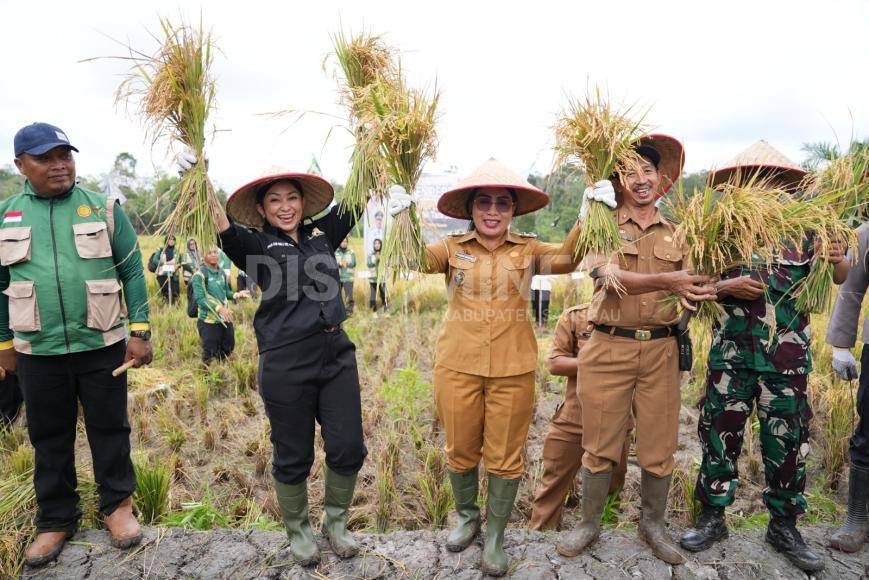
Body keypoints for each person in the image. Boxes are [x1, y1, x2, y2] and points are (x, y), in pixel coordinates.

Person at [177, 152, 367, 566]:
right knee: (293, 453)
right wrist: (199, 176)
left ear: (303, 202)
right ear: (261, 209)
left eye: (292, 198)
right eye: (275, 200)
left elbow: (356, 198)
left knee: (349, 445)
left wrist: (374, 148)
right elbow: (219, 224)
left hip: (336, 354)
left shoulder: (322, 235)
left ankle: (336, 525)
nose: (286, 207)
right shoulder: (254, 244)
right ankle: (299, 531)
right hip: (285, 361)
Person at [398, 158, 583, 576]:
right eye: (484, 202)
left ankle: (496, 534)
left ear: (514, 210)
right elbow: (414, 259)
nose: (493, 211)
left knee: (505, 455)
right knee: (460, 448)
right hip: (457, 365)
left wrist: (589, 216)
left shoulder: (530, 250)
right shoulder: (452, 249)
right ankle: (467, 518)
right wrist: (402, 216)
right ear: (471, 209)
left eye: (503, 203)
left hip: (512, 369)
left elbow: (570, 258)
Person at [680, 141, 850, 572]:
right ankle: (713, 517)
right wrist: (727, 288)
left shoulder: (808, 229)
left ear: (788, 186)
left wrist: (838, 257)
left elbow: (838, 275)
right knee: (718, 436)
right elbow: (696, 291)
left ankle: (783, 526)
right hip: (731, 358)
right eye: (754, 178)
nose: (765, 187)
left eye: (774, 180)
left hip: (786, 362)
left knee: (788, 443)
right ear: (737, 185)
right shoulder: (720, 232)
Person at [558, 134, 715, 565]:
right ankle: (589, 524)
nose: (641, 179)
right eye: (631, 172)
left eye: (648, 171)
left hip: (661, 351)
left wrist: (693, 301)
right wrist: (671, 282)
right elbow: (606, 275)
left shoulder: (681, 234)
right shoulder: (601, 224)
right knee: (600, 442)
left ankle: (653, 525)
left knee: (659, 443)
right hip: (608, 346)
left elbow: (693, 284)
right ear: (619, 181)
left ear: (661, 178)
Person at [2, 122, 152, 566]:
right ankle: (55, 520)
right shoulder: (7, 214)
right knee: (48, 437)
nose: (59, 165)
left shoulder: (103, 209)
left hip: (101, 342)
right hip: (37, 349)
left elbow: (131, 269)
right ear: (20, 165)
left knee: (110, 429)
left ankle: (118, 507)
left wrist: (139, 332)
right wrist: (2, 344)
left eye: (65, 155)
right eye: (45, 158)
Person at [530, 303, 633, 531]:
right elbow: (555, 363)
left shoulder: (635, 319)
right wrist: (596, 363)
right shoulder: (576, 316)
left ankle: (605, 544)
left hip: (616, 419)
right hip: (573, 417)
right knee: (552, 486)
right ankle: (540, 543)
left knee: (612, 486)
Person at [827, 219, 869, 553]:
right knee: (868, 430)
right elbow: (852, 288)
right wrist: (841, 345)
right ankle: (856, 519)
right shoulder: (866, 234)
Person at [191, 245, 249, 363]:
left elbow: (226, 292)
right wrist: (219, 308)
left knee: (228, 347)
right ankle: (206, 377)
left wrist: (236, 295)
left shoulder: (222, 273)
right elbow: (201, 300)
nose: (214, 255)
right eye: (210, 252)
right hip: (209, 321)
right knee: (210, 354)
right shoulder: (199, 275)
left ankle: (221, 370)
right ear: (203, 256)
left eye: (215, 252)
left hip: (225, 318)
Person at [148, 235, 180, 304]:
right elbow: (155, 260)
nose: (171, 241)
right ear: (166, 240)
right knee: (165, 291)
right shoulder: (161, 250)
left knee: (174, 291)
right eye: (169, 239)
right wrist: (166, 263)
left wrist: (177, 265)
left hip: (173, 274)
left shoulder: (176, 251)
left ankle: (175, 307)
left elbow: (178, 261)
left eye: (173, 240)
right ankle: (166, 306)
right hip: (162, 274)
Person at [335, 238, 356, 314]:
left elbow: (354, 263)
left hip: (348, 277)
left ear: (347, 243)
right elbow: (332, 262)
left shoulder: (351, 252)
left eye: (345, 242)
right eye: (342, 241)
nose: (344, 243)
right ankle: (339, 311)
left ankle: (349, 311)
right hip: (338, 277)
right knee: (337, 296)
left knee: (349, 295)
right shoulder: (336, 252)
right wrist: (339, 263)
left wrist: (347, 263)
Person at [367, 238, 387, 312]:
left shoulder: (384, 254)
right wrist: (375, 259)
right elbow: (368, 263)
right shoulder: (371, 254)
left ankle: (385, 308)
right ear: (373, 245)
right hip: (373, 278)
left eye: (378, 243)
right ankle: (373, 310)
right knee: (373, 295)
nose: (377, 245)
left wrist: (381, 258)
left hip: (382, 278)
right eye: (375, 244)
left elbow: (387, 264)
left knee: (383, 294)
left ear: (381, 244)